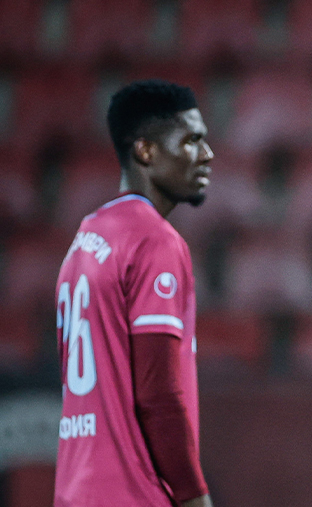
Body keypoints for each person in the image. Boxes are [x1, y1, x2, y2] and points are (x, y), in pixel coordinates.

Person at [54, 80, 213, 507]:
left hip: (74, 491)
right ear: (146, 151)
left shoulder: (86, 237)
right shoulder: (154, 241)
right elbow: (158, 395)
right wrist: (194, 497)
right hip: (132, 493)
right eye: (192, 141)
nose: (207, 154)